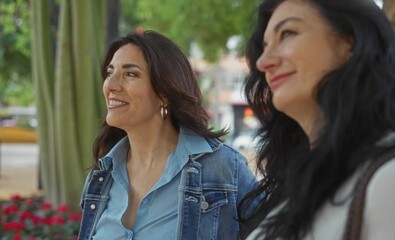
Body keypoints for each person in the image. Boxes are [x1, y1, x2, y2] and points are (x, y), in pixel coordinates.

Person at [238, 0, 395, 239]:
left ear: (350, 41)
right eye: (265, 46)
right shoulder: (299, 187)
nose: (264, 62)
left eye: (287, 33)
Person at [77, 30, 259, 240]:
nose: (110, 85)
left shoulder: (222, 167)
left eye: (130, 74)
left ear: (164, 92)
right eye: (110, 73)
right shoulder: (101, 176)